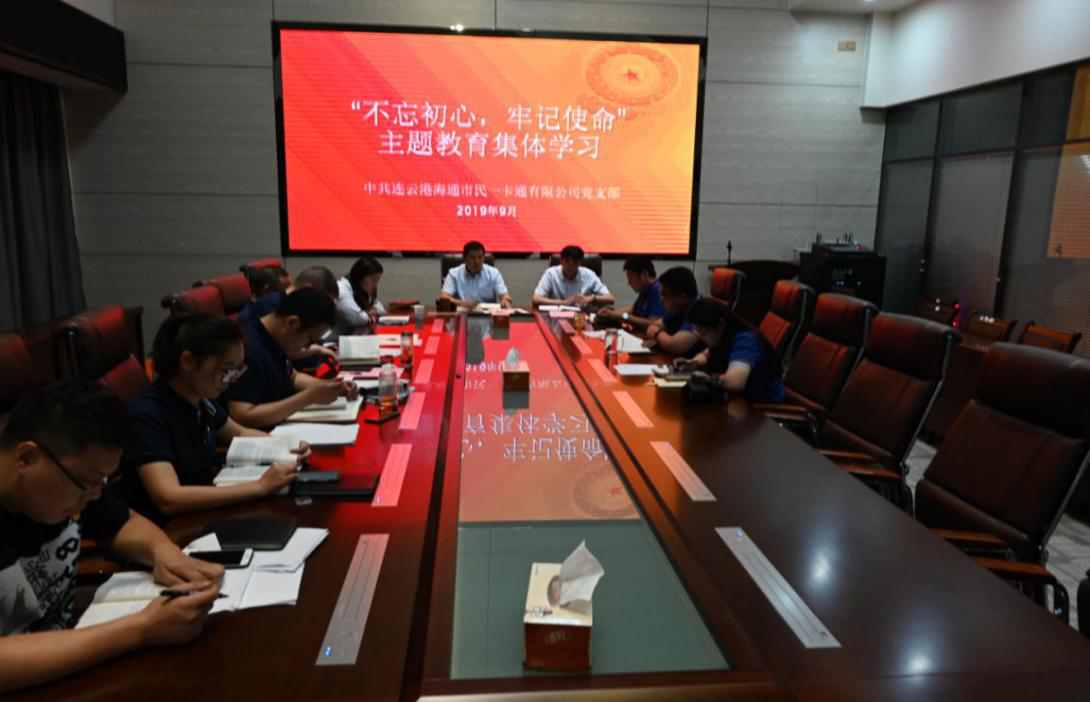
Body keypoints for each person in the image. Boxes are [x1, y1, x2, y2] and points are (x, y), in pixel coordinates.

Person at [0, 380, 223, 693]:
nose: (94, 496)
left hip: (70, 663)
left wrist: (165, 554)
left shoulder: (67, 482)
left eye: (102, 482)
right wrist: (143, 628)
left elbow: (123, 522)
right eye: (89, 482)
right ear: (25, 458)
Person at [122, 314, 310, 526]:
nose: (230, 380)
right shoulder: (147, 415)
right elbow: (169, 498)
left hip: (202, 511)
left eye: (237, 370)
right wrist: (259, 487)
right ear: (187, 361)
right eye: (226, 370)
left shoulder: (201, 401)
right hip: (172, 528)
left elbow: (240, 433)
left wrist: (288, 447)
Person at [223, 288, 358, 429]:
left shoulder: (275, 339)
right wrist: (307, 398)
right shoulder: (246, 350)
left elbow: (292, 376)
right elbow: (242, 416)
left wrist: (328, 387)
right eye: (310, 340)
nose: (308, 347)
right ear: (292, 323)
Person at [678, 298, 785, 403]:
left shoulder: (745, 341)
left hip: (761, 407)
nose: (701, 337)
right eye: (697, 332)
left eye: (703, 332)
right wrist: (693, 363)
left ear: (721, 324)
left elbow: (735, 383)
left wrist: (709, 378)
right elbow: (707, 354)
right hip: (736, 400)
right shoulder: (721, 335)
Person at [643, 266, 704, 357]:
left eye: (664, 295)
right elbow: (653, 326)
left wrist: (657, 334)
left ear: (682, 298)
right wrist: (661, 337)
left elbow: (674, 345)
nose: (661, 300)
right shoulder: (678, 308)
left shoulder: (699, 310)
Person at [596, 255, 664, 331]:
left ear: (644, 274)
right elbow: (633, 308)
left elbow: (654, 323)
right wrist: (612, 313)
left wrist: (623, 316)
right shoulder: (645, 290)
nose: (629, 282)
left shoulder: (658, 291)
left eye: (631, 277)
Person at [532, 245, 614, 307]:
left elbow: (610, 298)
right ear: (561, 260)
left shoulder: (589, 275)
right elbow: (536, 299)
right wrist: (563, 303)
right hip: (556, 316)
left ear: (580, 263)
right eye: (567, 262)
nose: (570, 267)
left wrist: (591, 298)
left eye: (575, 263)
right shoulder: (551, 273)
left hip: (582, 317)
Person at [440, 241, 512, 309]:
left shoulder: (494, 273)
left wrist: (506, 300)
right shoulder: (454, 274)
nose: (477, 261)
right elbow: (444, 298)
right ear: (464, 258)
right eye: (472, 258)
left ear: (484, 258)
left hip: (487, 315)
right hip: (462, 314)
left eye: (480, 257)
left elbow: (504, 296)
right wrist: (463, 303)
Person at [336, 257, 386, 335]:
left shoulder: (362, 290)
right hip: (332, 339)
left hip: (350, 335)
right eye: (373, 280)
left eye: (377, 280)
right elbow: (360, 319)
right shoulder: (342, 289)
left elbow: (382, 309)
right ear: (360, 276)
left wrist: (370, 312)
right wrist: (368, 313)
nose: (375, 285)